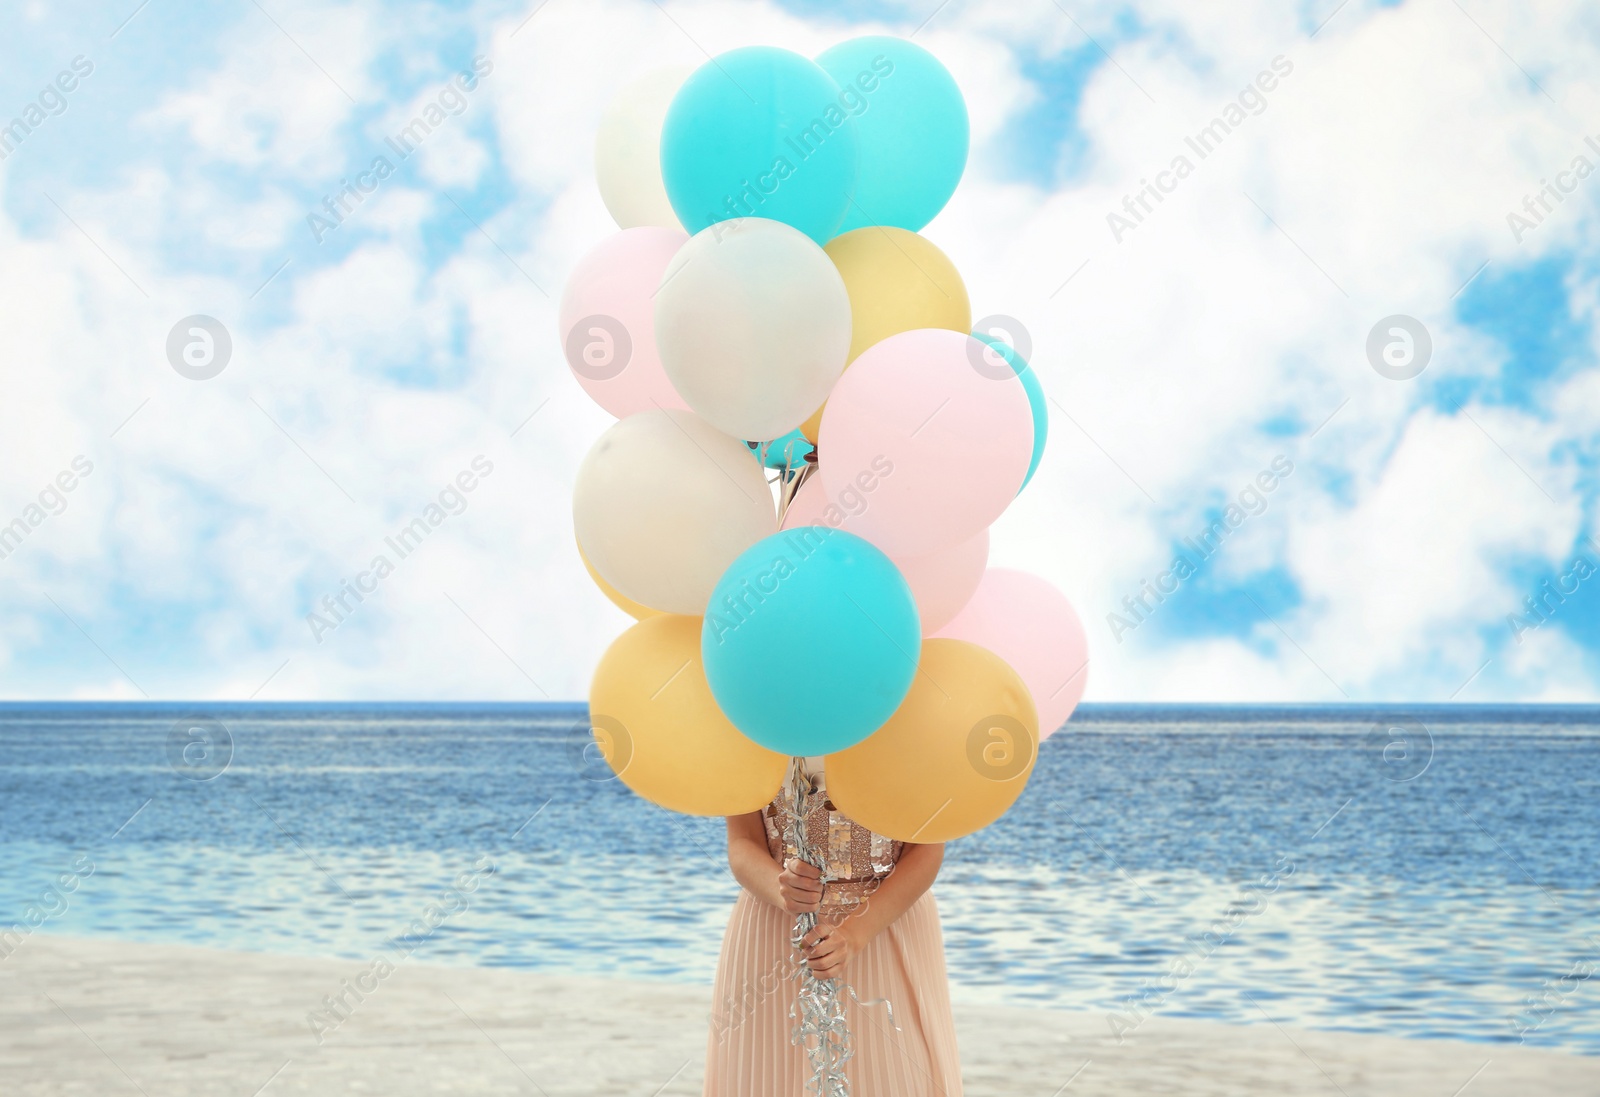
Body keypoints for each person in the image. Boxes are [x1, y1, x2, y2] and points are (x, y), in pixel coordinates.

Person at [702, 756, 963, 1095]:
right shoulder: (749, 719)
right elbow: (743, 842)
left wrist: (855, 934)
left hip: (888, 921)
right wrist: (782, 888)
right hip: (775, 921)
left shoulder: (915, 715)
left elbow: (926, 851)